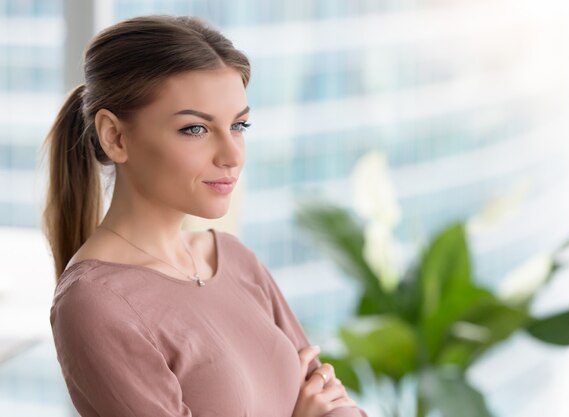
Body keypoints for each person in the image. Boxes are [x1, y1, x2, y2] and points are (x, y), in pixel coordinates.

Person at [41, 15, 368, 417]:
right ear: (115, 136)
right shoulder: (95, 305)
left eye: (239, 125)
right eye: (195, 129)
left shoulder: (233, 259)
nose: (231, 155)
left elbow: (339, 405)